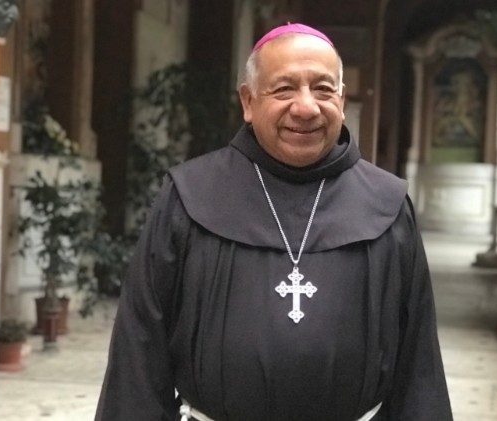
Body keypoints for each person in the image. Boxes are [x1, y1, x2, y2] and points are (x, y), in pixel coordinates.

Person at [96, 23, 452, 421]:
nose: (306, 107)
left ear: (341, 99)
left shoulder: (387, 203)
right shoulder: (189, 195)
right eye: (284, 89)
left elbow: (419, 365)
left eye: (323, 89)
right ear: (248, 101)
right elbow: (139, 347)